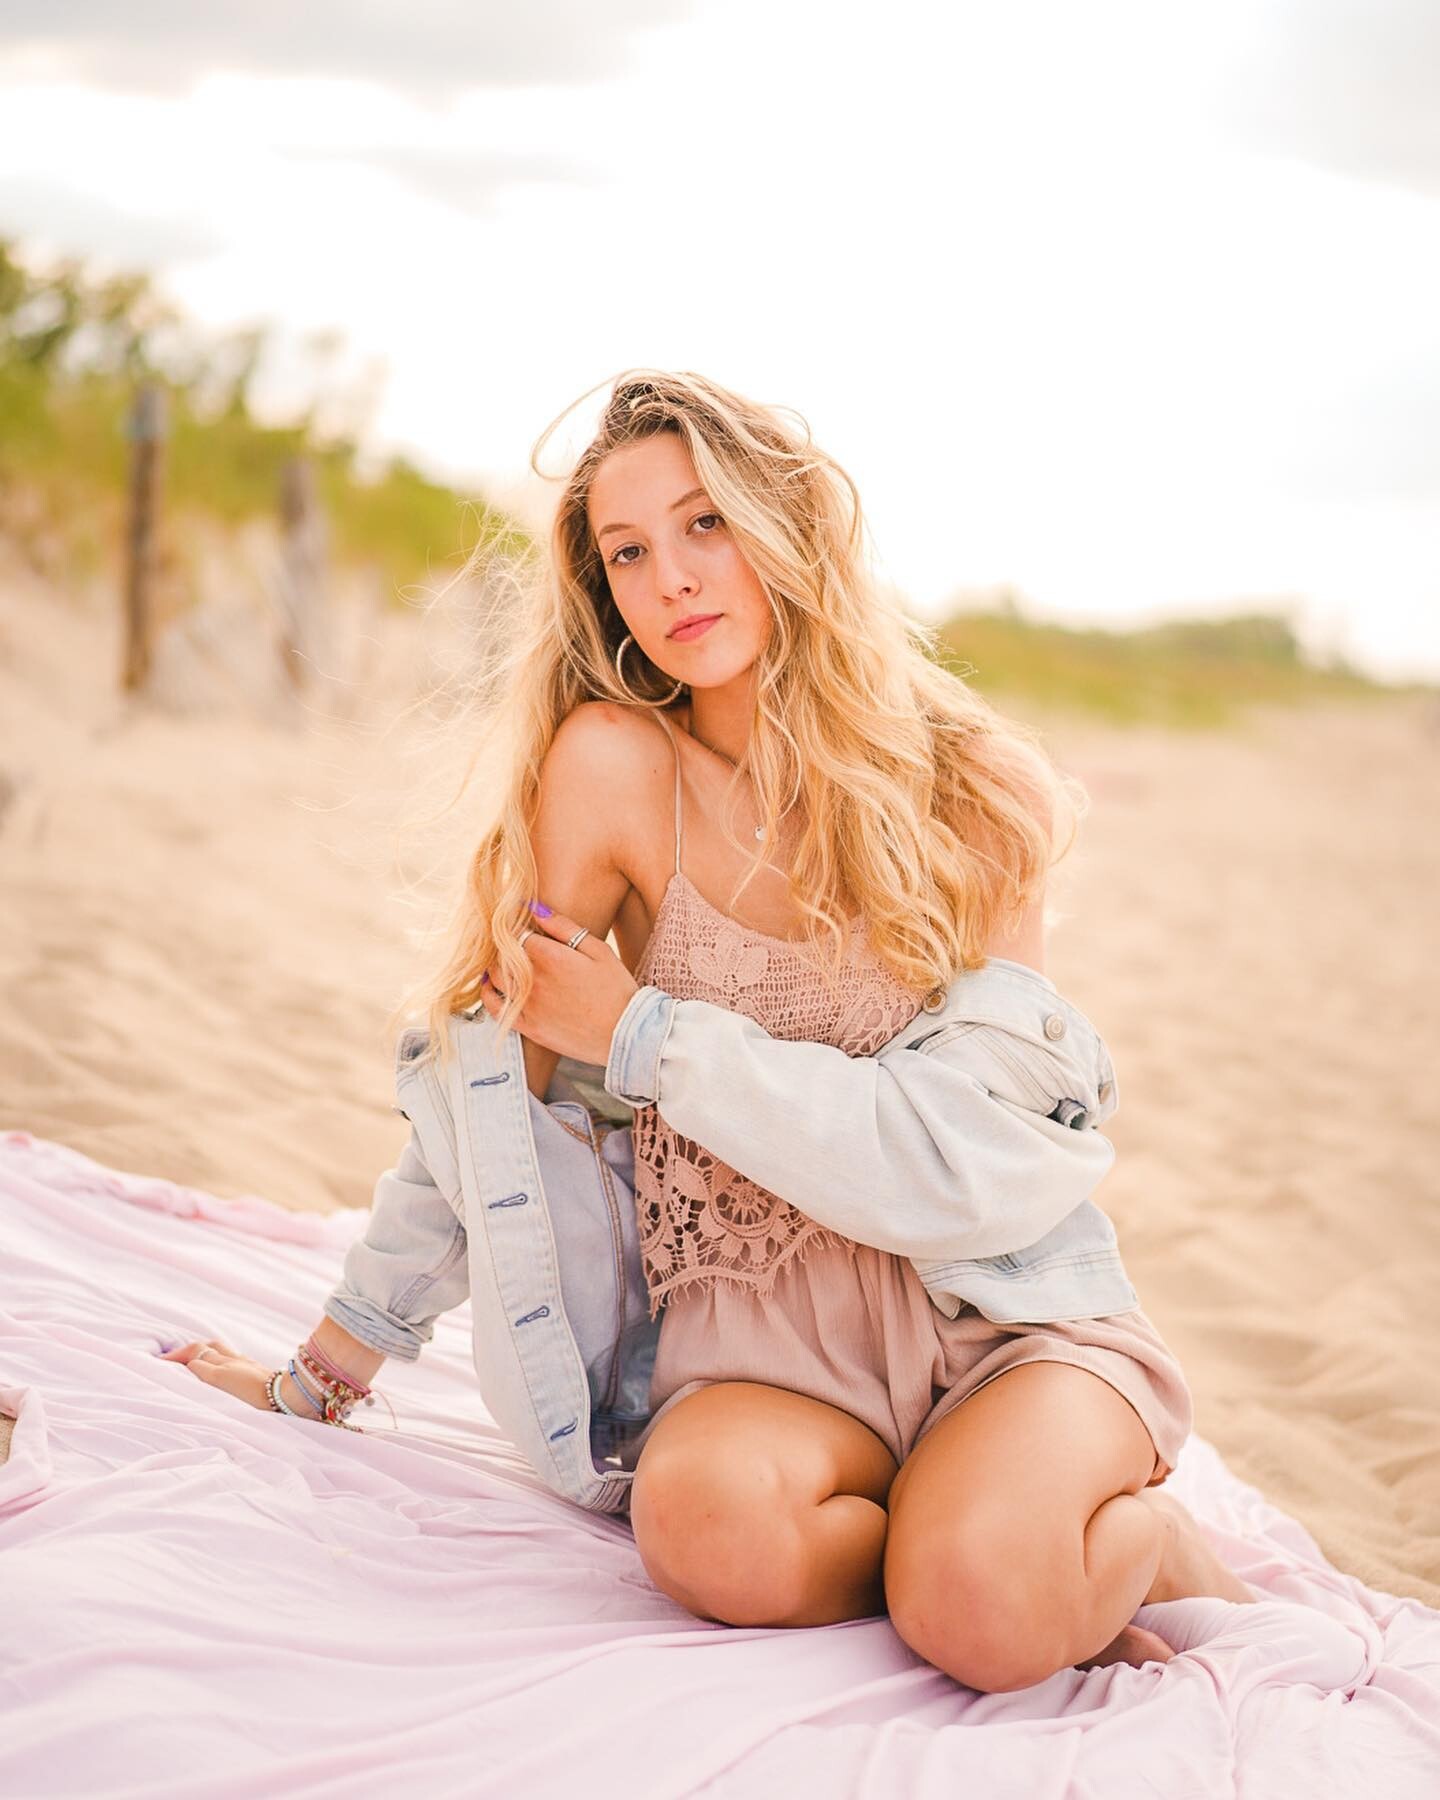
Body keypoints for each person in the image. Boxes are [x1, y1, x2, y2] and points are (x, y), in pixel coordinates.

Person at [162, 368, 1253, 1694]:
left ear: (787, 528)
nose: (671, 578)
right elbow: (491, 1102)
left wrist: (646, 1034)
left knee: (980, 1613)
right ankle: (973, 1541)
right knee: (704, 1530)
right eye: (627, 552)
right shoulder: (614, 772)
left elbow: (950, 1159)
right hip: (762, 1348)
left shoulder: (976, 793)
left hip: (997, 1316)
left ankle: (1102, 1543)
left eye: (706, 524)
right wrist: (325, 1375)